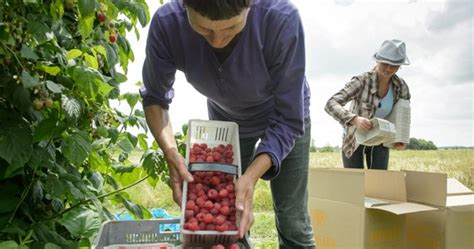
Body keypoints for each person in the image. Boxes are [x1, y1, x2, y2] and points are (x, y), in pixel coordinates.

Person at [139, 0, 315, 248]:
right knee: (229, 216)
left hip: (284, 118)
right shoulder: (167, 24)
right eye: (204, 30)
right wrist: (170, 152)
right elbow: (155, 98)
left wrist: (251, 177)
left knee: (293, 219)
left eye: (232, 28)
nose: (217, 41)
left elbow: (288, 118)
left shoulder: (281, 19)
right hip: (227, 122)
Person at [325, 39, 411, 170]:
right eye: (385, 63)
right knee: (354, 184)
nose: (388, 68)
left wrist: (402, 138)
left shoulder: (400, 86)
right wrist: (354, 119)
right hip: (354, 140)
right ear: (377, 60)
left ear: (400, 66)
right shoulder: (362, 81)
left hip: (381, 140)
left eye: (394, 65)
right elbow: (331, 103)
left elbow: (404, 114)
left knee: (379, 185)